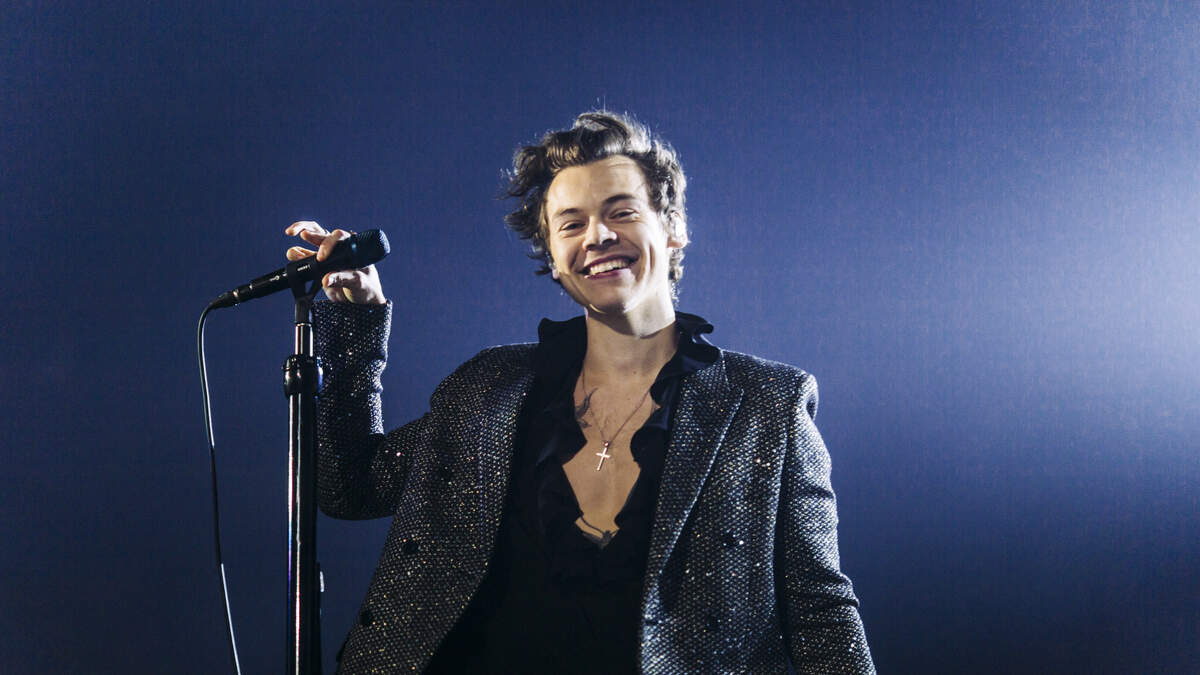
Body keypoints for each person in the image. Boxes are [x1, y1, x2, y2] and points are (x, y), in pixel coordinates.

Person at [284, 112, 874, 673]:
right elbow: (349, 488)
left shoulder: (768, 404)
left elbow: (821, 613)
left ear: (673, 229)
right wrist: (357, 325)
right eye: (571, 224)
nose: (598, 236)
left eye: (622, 212)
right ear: (553, 257)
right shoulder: (487, 387)